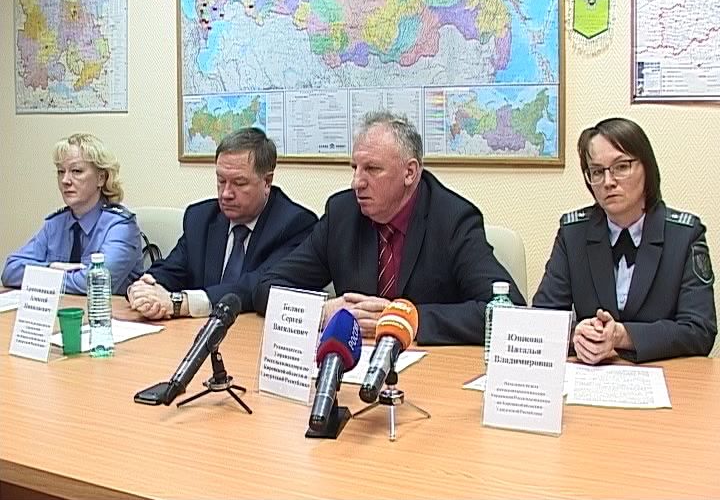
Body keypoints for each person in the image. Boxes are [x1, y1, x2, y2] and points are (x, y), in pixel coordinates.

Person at [254, 112, 525, 345]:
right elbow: (267, 287)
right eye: (355, 168)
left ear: (410, 173)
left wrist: (406, 319)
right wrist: (321, 312)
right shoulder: (342, 214)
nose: (357, 182)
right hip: (355, 362)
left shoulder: (452, 220)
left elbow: (508, 312)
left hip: (428, 369)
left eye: (372, 169)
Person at [533, 117, 716, 363]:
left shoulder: (684, 235)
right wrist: (575, 335)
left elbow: (700, 331)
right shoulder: (573, 233)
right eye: (597, 172)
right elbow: (542, 319)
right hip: (590, 374)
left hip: (663, 374)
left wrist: (623, 336)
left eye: (621, 167)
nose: (608, 182)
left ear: (647, 168)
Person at [127, 127, 317, 319]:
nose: (226, 193)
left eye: (239, 183)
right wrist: (145, 289)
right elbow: (171, 269)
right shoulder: (200, 218)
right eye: (221, 180)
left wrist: (182, 303)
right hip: (198, 331)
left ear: (267, 182)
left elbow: (256, 287)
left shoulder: (295, 224)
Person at [2, 133, 143, 295]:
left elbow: (93, 284)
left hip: (107, 310)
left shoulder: (120, 226)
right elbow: (10, 271)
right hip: (60, 309)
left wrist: (41, 276)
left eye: (76, 171)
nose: (65, 180)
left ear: (101, 178)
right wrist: (51, 267)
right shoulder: (56, 224)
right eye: (61, 171)